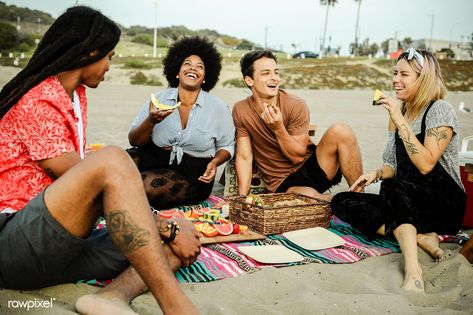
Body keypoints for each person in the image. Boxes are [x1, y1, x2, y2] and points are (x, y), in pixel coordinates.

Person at [0, 6, 200, 314]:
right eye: (109, 55)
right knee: (116, 162)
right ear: (90, 52)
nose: (109, 65)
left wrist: (171, 230)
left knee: (182, 239)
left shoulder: (76, 95)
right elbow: (70, 172)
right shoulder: (37, 97)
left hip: (62, 244)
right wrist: (164, 225)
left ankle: (114, 295)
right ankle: (179, 309)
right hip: (16, 242)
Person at [331, 48, 467, 293]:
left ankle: (413, 270)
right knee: (342, 201)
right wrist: (376, 174)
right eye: (395, 73)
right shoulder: (400, 112)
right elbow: (394, 166)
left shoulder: (439, 110)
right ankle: (418, 237)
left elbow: (425, 164)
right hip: (406, 199)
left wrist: (399, 119)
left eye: (404, 74)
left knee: (391, 189)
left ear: (422, 79)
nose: (396, 79)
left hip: (442, 202)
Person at [232, 50, 362, 201]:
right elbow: (244, 156)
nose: (274, 78)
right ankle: (331, 200)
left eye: (276, 72)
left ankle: (360, 196)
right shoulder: (241, 110)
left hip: (313, 166)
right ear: (249, 80)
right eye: (266, 73)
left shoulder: (296, 105)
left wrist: (278, 128)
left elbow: (298, 157)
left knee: (341, 130)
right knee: (311, 199)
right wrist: (241, 198)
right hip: (282, 182)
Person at [128, 36, 235, 209]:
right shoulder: (159, 98)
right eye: (187, 63)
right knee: (115, 163)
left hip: (193, 176)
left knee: (145, 186)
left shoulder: (218, 108)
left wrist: (215, 163)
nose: (193, 68)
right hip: (153, 159)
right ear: (177, 72)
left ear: (205, 77)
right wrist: (151, 121)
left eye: (200, 66)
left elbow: (228, 146)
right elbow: (134, 140)